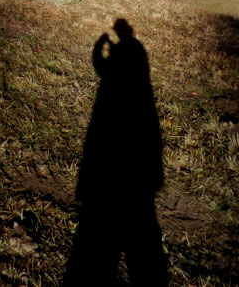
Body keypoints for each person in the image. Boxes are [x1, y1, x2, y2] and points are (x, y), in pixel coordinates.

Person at [64, 19, 168, 286]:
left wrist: (100, 49)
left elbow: (103, 67)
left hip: (108, 170)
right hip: (137, 176)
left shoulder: (117, 81)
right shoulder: (141, 85)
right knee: (143, 248)